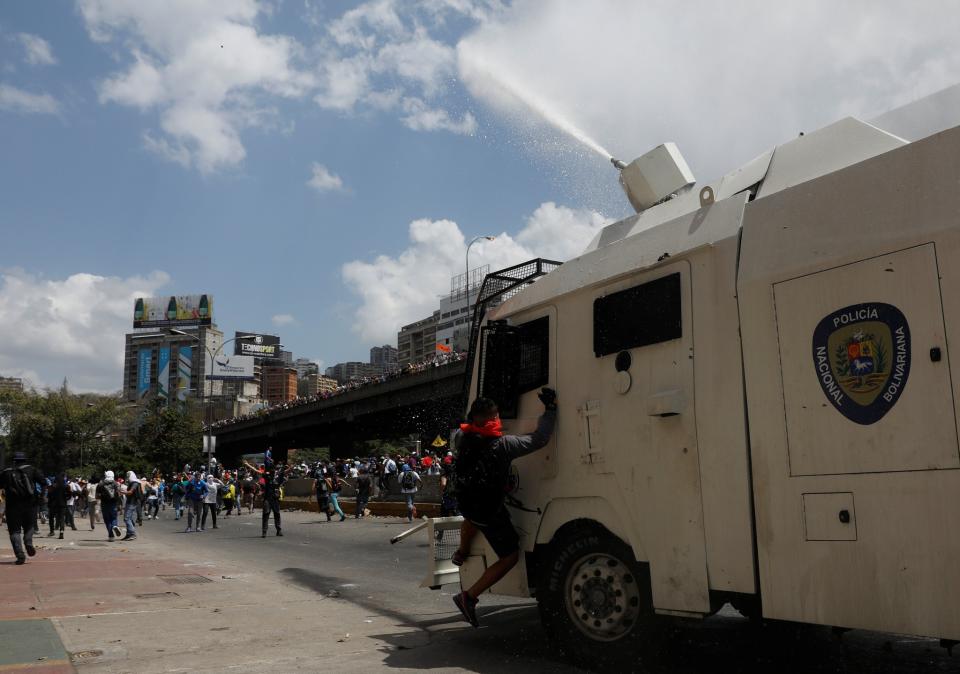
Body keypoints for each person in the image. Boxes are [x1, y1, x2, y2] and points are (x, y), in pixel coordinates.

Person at [451, 388, 557, 628]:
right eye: (496, 416)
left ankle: (462, 551)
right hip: (487, 509)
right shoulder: (504, 445)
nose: (498, 419)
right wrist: (550, 410)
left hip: (465, 500)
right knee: (509, 556)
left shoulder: (462, 437)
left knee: (471, 517)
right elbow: (540, 439)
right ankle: (468, 597)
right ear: (492, 419)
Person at [0, 452, 43, 564]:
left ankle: (20, 555)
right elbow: (44, 483)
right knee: (30, 526)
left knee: (14, 531)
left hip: (12, 506)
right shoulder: (32, 470)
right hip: (30, 504)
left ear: (14, 461)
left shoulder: (6, 472)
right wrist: (41, 497)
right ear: (25, 460)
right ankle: (28, 542)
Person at [243, 456, 288, 537]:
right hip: (267, 498)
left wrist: (292, 467)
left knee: (277, 514)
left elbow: (286, 471)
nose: (272, 471)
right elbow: (257, 471)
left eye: (273, 469)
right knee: (266, 514)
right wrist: (247, 464)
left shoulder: (279, 476)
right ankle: (264, 532)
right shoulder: (267, 476)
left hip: (275, 499)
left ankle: (278, 530)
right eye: (271, 470)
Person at [97, 471, 122, 541]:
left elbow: (97, 496)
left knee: (107, 520)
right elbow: (119, 494)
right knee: (114, 517)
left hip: (104, 504)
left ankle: (111, 536)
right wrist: (119, 504)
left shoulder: (100, 484)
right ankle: (115, 526)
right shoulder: (116, 483)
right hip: (113, 503)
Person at [122, 471, 142, 541]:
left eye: (128, 475)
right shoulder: (133, 483)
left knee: (126, 518)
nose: (127, 477)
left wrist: (122, 492)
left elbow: (130, 492)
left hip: (132, 502)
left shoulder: (135, 483)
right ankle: (128, 534)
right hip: (130, 502)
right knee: (129, 518)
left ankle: (133, 533)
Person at [47, 473, 67, 539]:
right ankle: (61, 531)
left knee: (51, 518)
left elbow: (48, 496)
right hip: (62, 504)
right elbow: (67, 495)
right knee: (61, 518)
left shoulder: (52, 487)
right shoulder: (65, 487)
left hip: (53, 505)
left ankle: (52, 531)